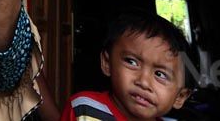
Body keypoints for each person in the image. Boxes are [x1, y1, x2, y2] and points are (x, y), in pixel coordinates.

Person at [61, 11, 194, 121]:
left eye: (160, 74)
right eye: (131, 62)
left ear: (180, 96)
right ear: (107, 63)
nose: (143, 82)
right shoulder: (86, 109)